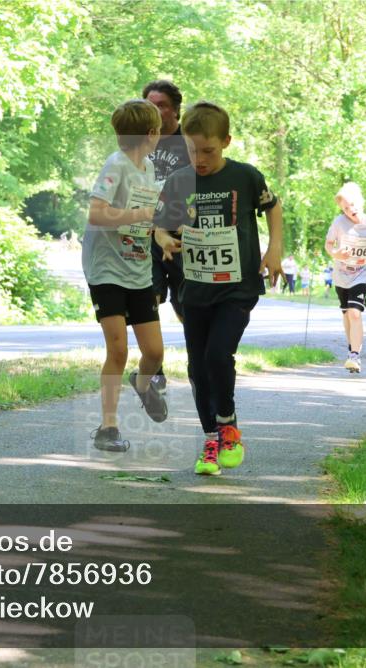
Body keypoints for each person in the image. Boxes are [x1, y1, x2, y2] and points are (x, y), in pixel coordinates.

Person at [153, 101, 283, 476]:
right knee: (197, 368)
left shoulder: (246, 176)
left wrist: (274, 249)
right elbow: (160, 225)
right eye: (192, 151)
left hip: (237, 288)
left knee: (217, 355)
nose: (200, 160)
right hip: (194, 289)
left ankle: (228, 426)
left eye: (208, 151)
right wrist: (163, 239)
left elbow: (273, 207)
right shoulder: (178, 181)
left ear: (226, 141)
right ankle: (211, 441)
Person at [82, 99, 168, 452]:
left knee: (155, 353)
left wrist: (162, 236)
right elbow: (96, 214)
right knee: (117, 349)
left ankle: (143, 385)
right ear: (152, 134)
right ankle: (108, 427)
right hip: (106, 269)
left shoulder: (148, 169)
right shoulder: (115, 165)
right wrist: (140, 214)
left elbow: (148, 219)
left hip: (138, 268)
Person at [142, 80, 190, 394]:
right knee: (148, 298)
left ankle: (198, 363)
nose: (156, 111)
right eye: (150, 105)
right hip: (146, 236)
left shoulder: (190, 142)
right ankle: (155, 371)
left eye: (162, 105)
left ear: (175, 110)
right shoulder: (138, 144)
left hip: (182, 236)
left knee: (186, 305)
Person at [324, 182, 366, 373]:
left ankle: (354, 356)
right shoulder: (339, 222)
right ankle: (352, 348)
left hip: (362, 274)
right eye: (345, 208)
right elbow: (328, 244)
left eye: (352, 205)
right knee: (346, 313)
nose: (350, 210)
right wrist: (336, 254)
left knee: (355, 312)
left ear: (361, 201)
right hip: (341, 275)